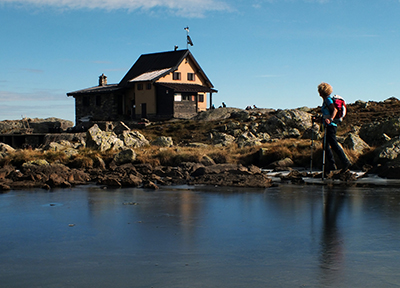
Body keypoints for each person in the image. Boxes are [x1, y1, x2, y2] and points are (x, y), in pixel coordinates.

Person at [317, 82, 351, 175]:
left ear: (321, 91)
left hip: (331, 126)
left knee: (333, 145)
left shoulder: (328, 100)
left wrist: (330, 119)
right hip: (328, 125)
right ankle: (332, 165)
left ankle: (345, 162)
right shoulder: (326, 100)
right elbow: (327, 114)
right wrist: (320, 119)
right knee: (326, 145)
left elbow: (335, 110)